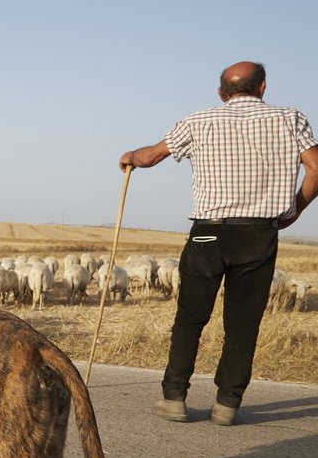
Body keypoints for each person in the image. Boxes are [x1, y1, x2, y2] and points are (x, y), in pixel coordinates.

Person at [119, 61, 318, 426]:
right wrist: (296, 209)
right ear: (261, 88)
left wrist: (130, 157)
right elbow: (317, 167)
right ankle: (227, 404)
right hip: (259, 233)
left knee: (191, 318)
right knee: (243, 324)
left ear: (222, 93)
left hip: (209, 233)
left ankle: (174, 398)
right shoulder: (291, 118)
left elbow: (150, 157)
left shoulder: (198, 120)